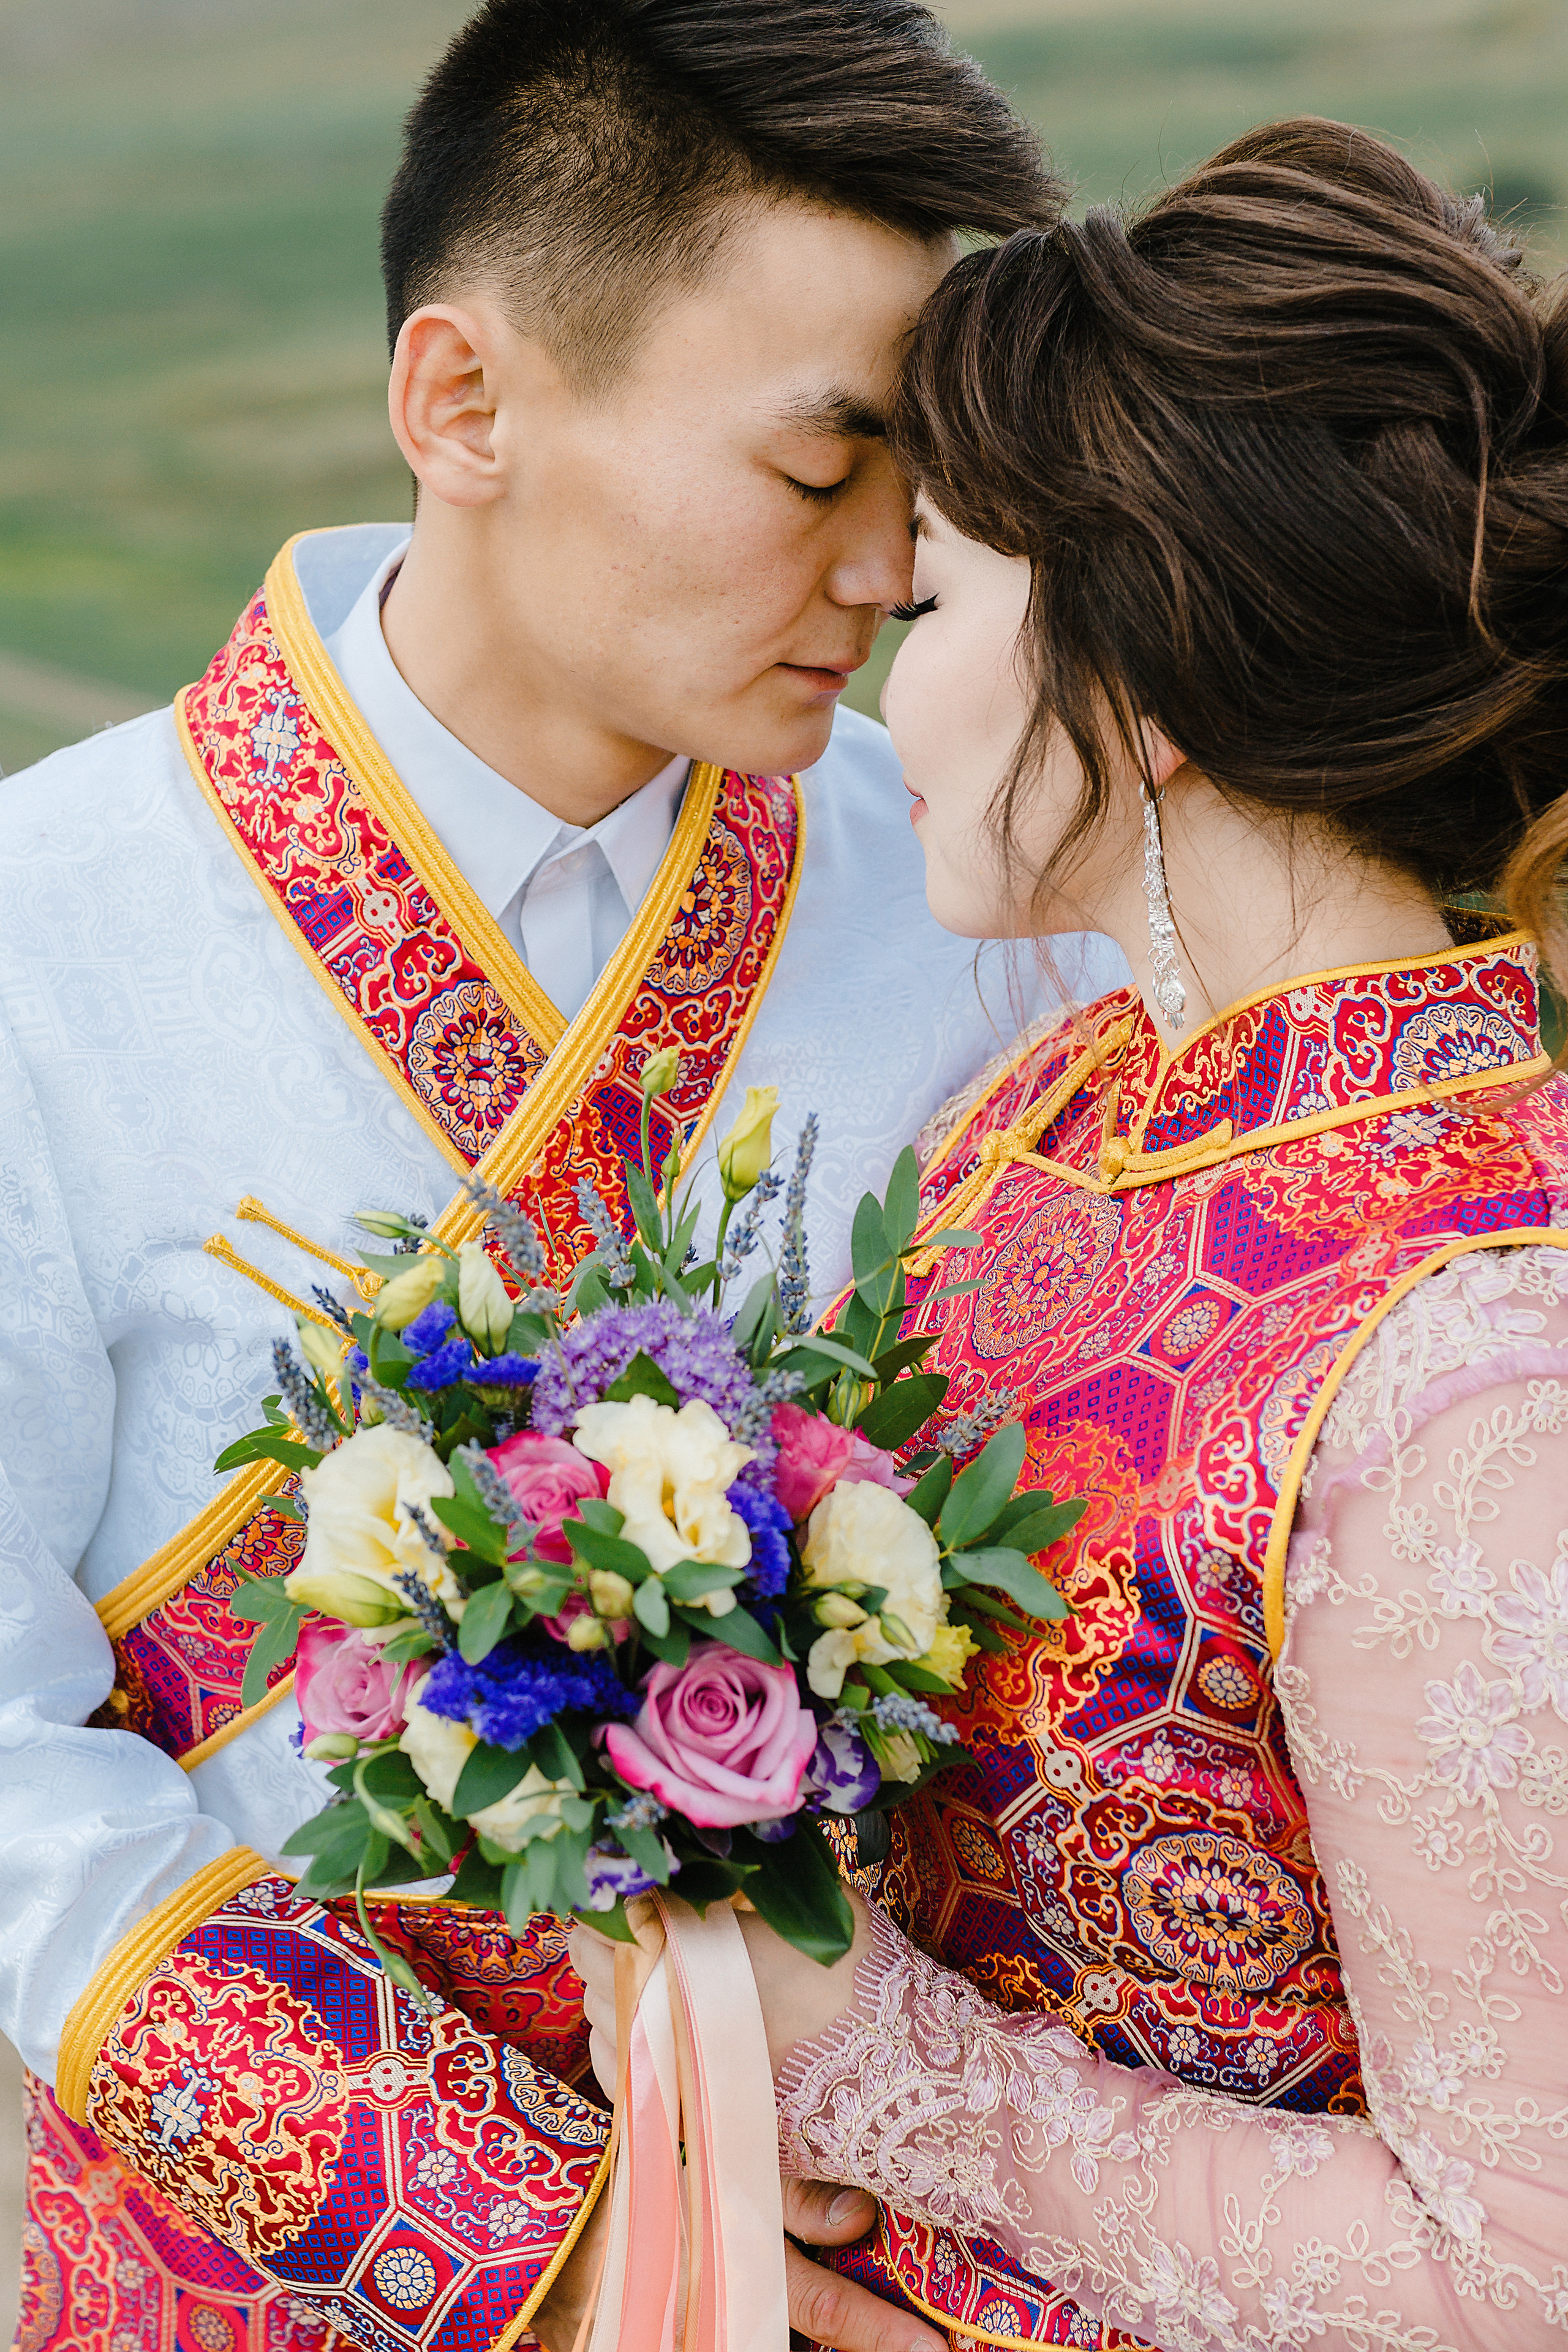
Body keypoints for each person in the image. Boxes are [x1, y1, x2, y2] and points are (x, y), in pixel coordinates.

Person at [0, 7, 1114, 2350]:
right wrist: (546, 2222)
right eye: (825, 467)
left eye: (921, 479)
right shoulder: (44, 929)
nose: (902, 564)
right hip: (272, 2267)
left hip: (903, 2225)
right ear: (464, 404)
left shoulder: (985, 898)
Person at [577, 120, 1568, 2345]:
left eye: (936, 599)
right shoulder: (1049, 1112)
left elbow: (1525, 2276)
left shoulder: (1474, 1369)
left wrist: (882, 2067)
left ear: (1139, 668)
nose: (882, 683)